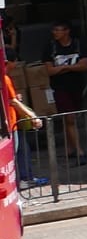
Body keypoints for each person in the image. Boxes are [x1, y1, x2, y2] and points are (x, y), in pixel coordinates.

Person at [39, 18, 87, 165]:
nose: (55, 33)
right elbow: (49, 70)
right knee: (69, 118)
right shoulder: (50, 47)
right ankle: (80, 151)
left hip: (77, 86)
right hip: (59, 87)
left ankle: (70, 148)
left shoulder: (79, 45)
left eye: (58, 30)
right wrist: (73, 67)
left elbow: (85, 65)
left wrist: (63, 68)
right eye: (54, 30)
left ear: (67, 31)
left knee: (70, 118)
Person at [3, 59, 44, 188]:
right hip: (9, 123)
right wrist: (32, 116)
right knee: (13, 155)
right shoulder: (4, 78)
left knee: (20, 150)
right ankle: (19, 182)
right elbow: (13, 101)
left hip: (9, 122)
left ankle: (23, 179)